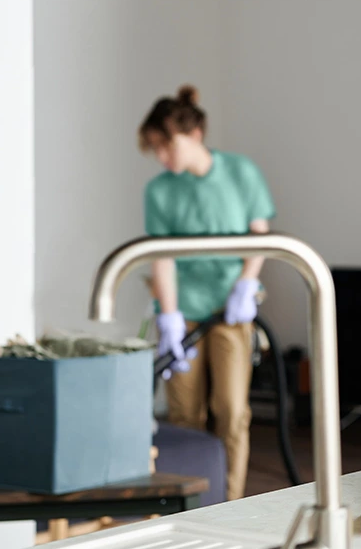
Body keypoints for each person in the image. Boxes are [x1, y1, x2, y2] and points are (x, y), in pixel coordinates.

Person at [137, 85, 276, 501]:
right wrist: (169, 317)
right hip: (185, 311)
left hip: (232, 309)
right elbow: (162, 258)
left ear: (193, 133)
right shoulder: (159, 191)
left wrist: (246, 284)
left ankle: (229, 503)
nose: (162, 158)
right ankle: (187, 504)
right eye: (155, 151)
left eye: (166, 146)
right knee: (183, 414)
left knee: (231, 411)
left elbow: (260, 235)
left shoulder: (241, 173)